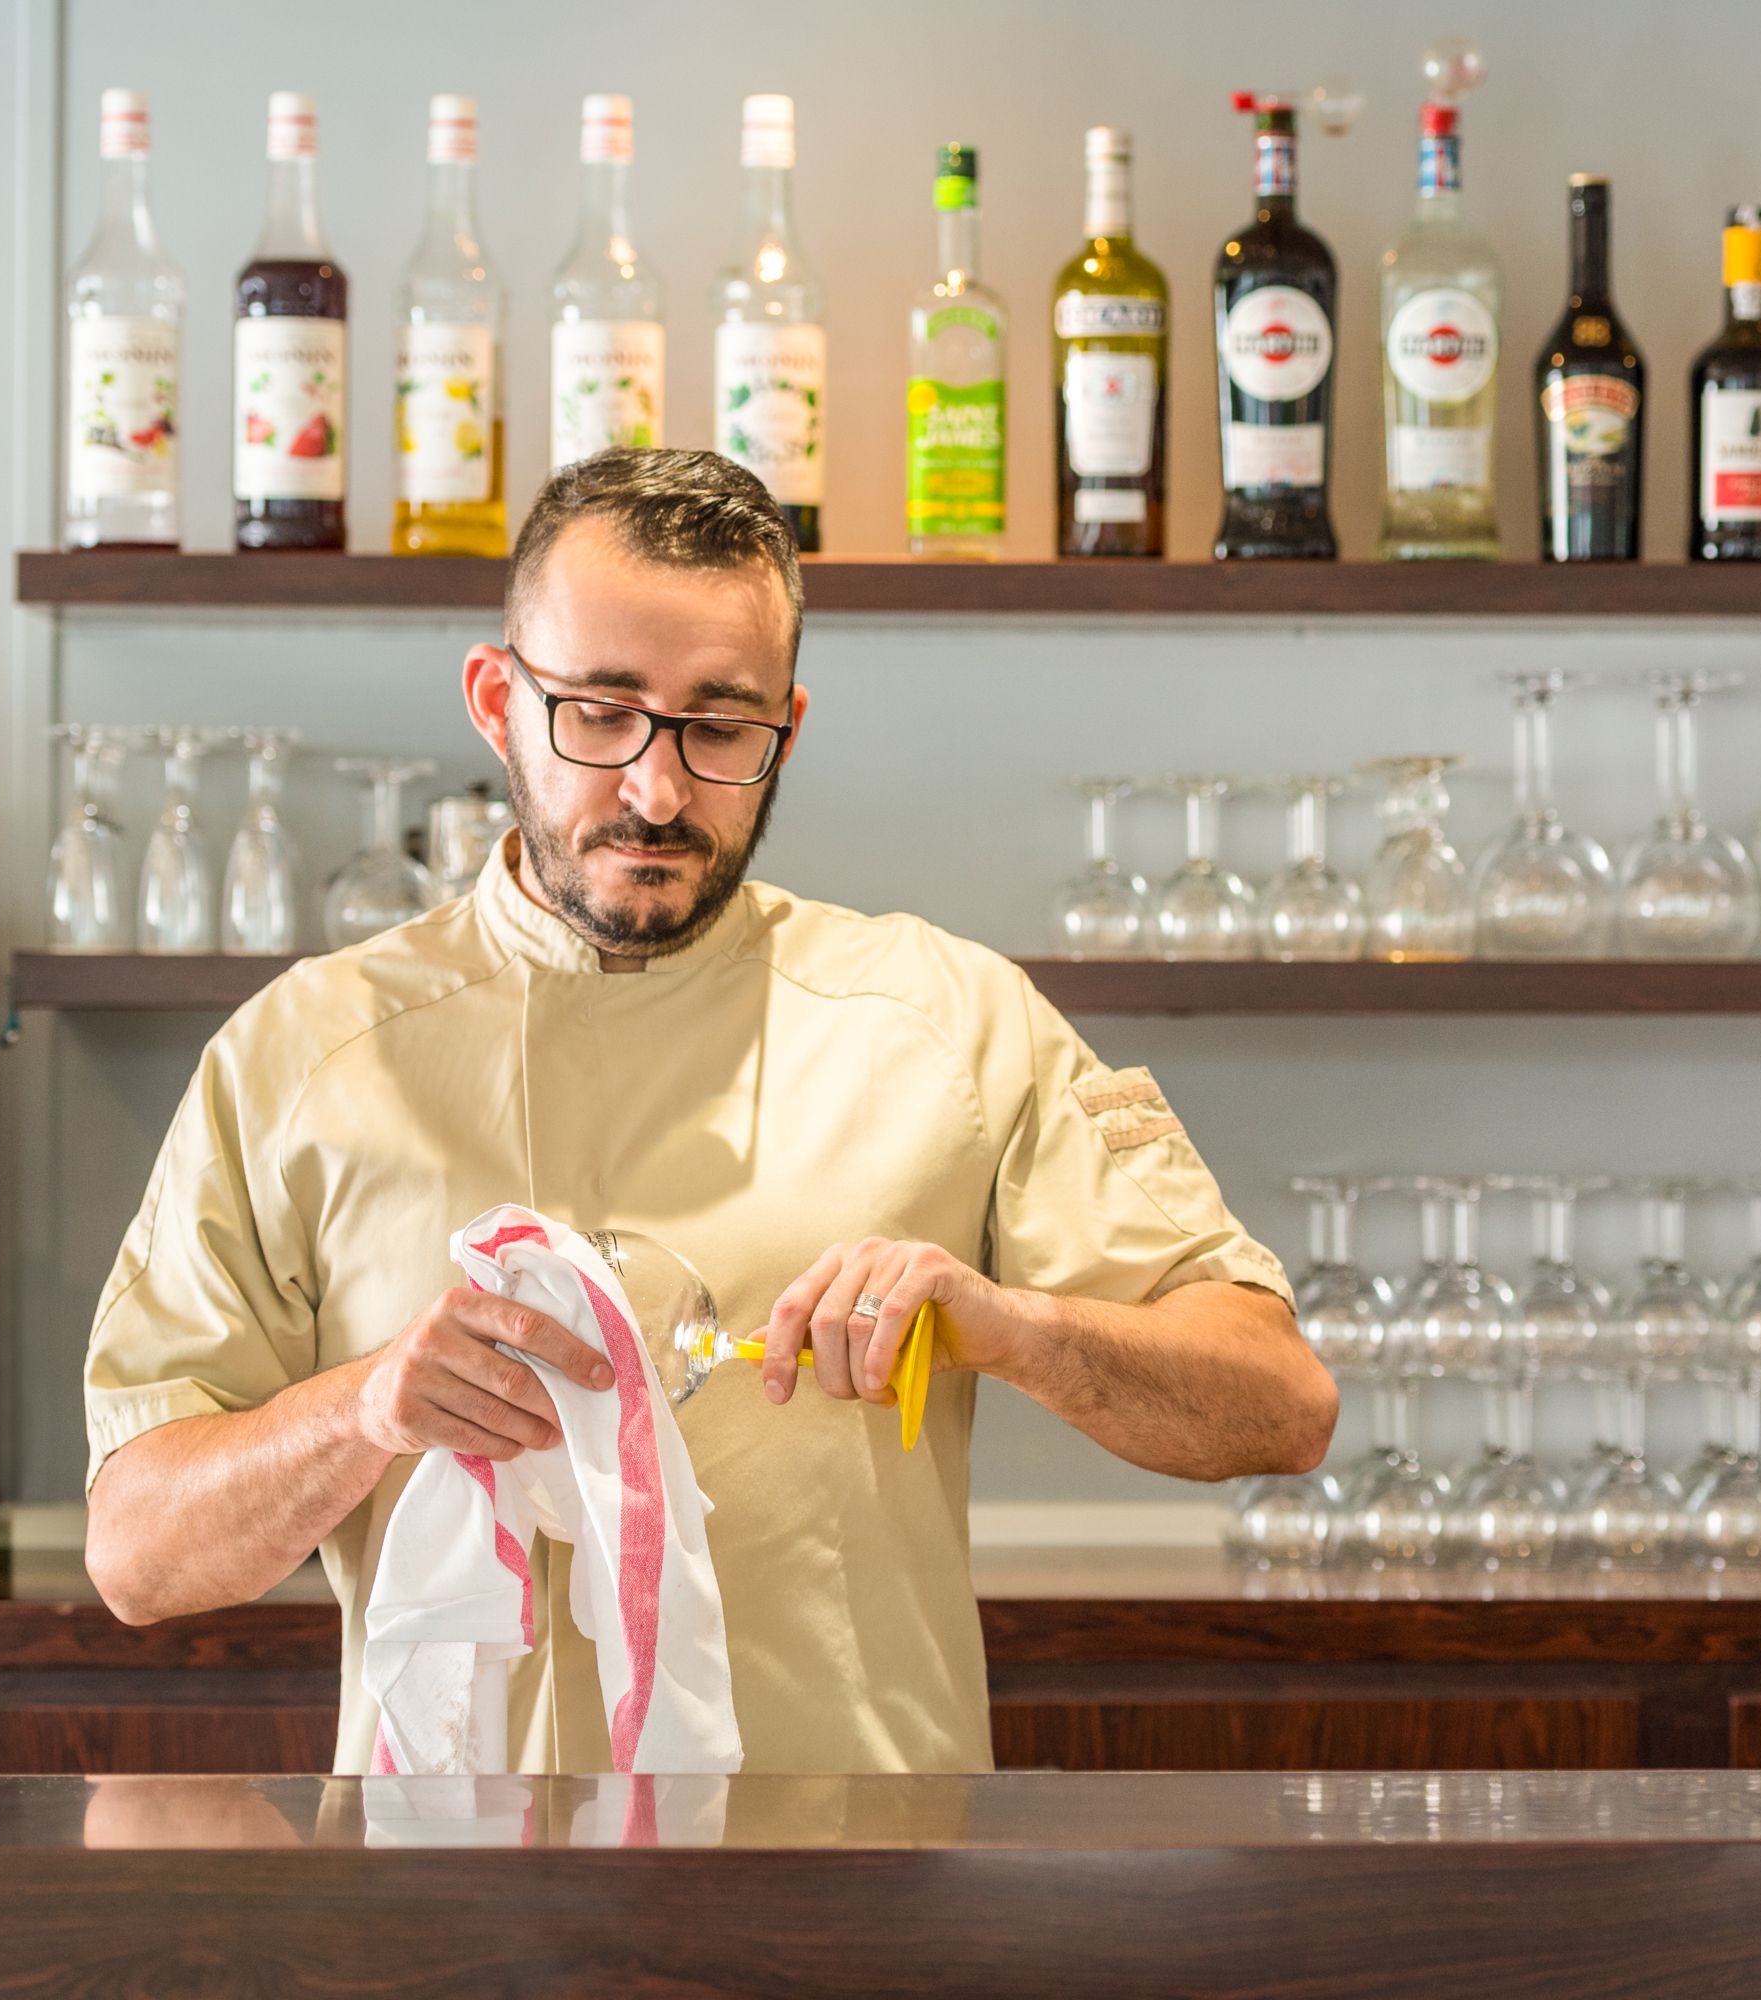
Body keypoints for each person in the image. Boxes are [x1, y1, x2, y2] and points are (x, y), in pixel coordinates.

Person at [81, 448, 1333, 1775]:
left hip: (857, 1867)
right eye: (599, 713)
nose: (657, 790)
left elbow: (1280, 1404)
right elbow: (137, 1556)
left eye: (719, 729)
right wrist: (365, 1410)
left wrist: (1008, 1326)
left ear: (787, 725)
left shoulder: (954, 1022)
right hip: (451, 1881)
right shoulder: (299, 1054)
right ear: (497, 701)